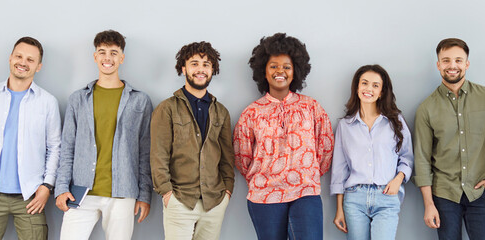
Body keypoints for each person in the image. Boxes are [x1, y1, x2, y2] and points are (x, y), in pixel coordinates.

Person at [233, 33, 334, 240]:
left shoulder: (311, 107)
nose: (280, 71)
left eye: (286, 67)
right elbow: (242, 156)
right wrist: (264, 176)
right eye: (274, 66)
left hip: (305, 191)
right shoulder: (251, 113)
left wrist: (304, 173)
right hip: (264, 195)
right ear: (264, 71)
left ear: (296, 70)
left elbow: (325, 149)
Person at [54, 30, 153, 240]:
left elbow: (145, 152)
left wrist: (145, 194)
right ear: (95, 56)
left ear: (122, 57)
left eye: (114, 52)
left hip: (123, 192)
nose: (108, 58)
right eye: (102, 52)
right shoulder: (78, 99)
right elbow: (67, 147)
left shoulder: (140, 101)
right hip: (81, 191)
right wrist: (61, 187)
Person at [412, 38, 485, 240]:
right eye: (446, 60)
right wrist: (429, 204)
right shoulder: (426, 108)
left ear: (467, 64)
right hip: (444, 195)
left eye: (458, 60)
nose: (452, 66)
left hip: (481, 194)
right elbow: (422, 159)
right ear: (438, 64)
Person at [0, 36, 60, 240]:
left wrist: (46, 186)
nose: (23, 62)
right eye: (19, 56)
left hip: (31, 196)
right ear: (10, 58)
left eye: (30, 59)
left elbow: (55, 147)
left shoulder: (48, 102)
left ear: (38, 66)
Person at [151, 41, 235, 240]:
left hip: (214, 201)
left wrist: (227, 191)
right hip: (180, 199)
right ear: (184, 68)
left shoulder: (221, 111)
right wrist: (167, 193)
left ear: (212, 69)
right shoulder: (167, 108)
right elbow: (158, 154)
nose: (200, 69)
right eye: (194, 63)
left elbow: (226, 157)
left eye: (206, 64)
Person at [330, 64, 413, 240]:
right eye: (365, 83)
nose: (369, 89)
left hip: (387, 197)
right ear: (357, 87)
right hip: (354, 199)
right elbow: (339, 170)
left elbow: (407, 157)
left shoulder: (395, 122)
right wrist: (339, 210)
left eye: (375, 85)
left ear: (382, 92)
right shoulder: (345, 125)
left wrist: (398, 179)